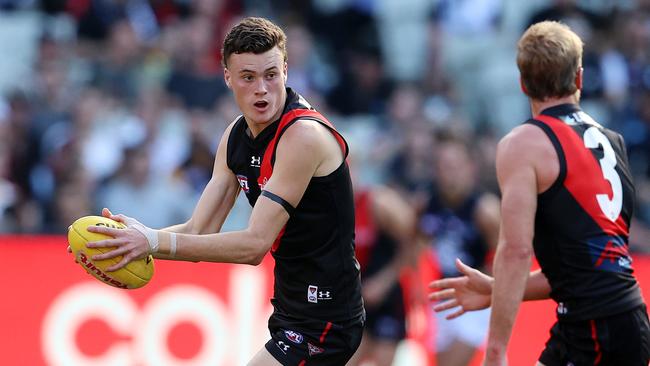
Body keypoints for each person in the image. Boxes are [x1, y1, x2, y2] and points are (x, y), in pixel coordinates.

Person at [76, 17, 365, 365]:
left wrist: (153, 242)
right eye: (248, 77)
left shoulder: (303, 136)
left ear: (286, 71)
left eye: (271, 75)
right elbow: (200, 230)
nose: (262, 88)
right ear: (227, 77)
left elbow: (254, 245)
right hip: (292, 310)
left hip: (327, 318)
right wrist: (134, 242)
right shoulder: (235, 138)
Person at [429, 21, 650, 366]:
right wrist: (493, 288)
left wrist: (496, 350)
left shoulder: (524, 143)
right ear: (578, 77)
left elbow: (516, 250)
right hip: (619, 319)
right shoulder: (613, 141)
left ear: (522, 84)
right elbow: (582, 268)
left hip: (592, 327)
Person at [421, 134, 500, 366]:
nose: (448, 172)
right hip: (441, 295)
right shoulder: (426, 203)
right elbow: (415, 242)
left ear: (470, 167)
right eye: (442, 166)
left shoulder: (485, 209)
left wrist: (484, 288)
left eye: (454, 165)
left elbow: (505, 258)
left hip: (474, 297)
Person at [347, 180, 418, 366]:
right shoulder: (332, 206)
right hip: (356, 300)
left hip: (387, 299)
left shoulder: (378, 202)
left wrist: (383, 283)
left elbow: (413, 243)